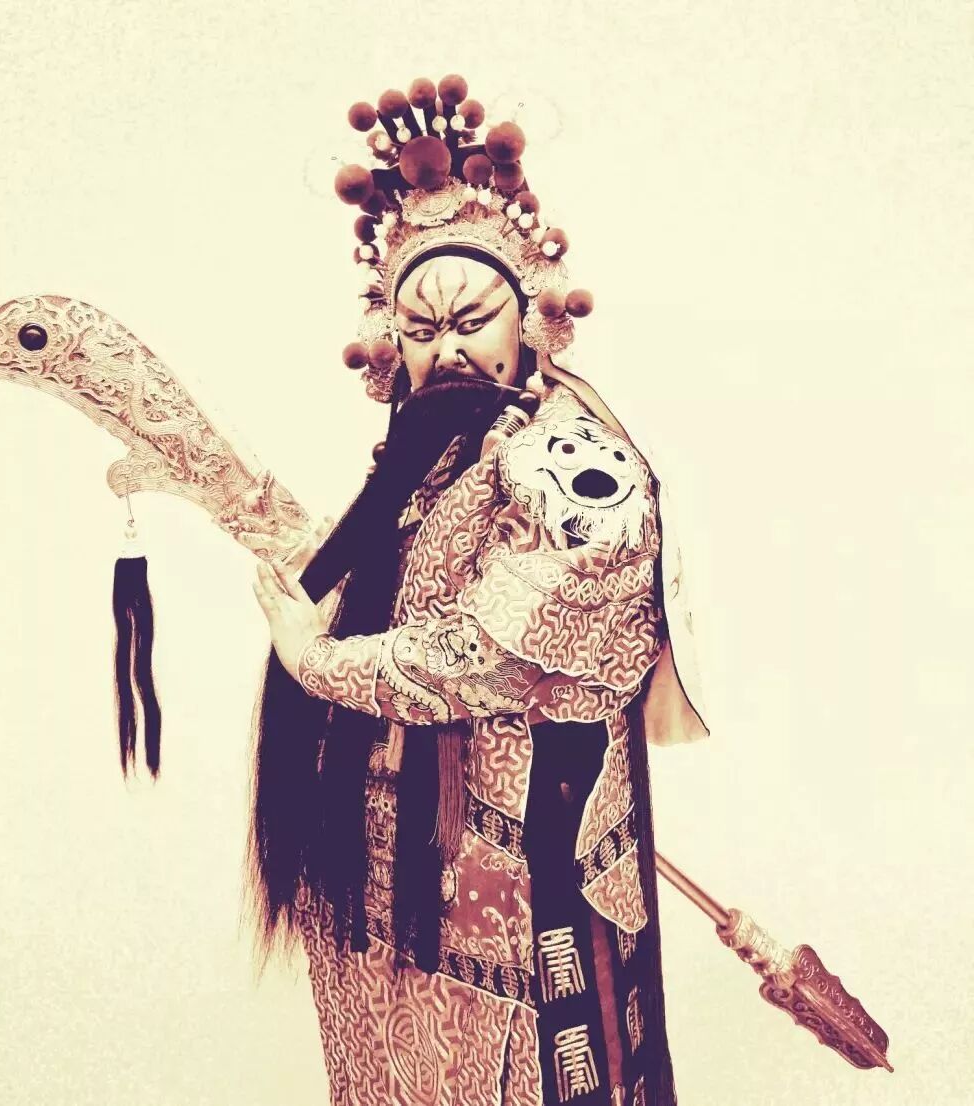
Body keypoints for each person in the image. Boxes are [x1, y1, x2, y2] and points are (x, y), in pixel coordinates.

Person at [249, 73, 707, 1106]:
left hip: (520, 880)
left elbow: (487, 656)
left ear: (529, 318)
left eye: (471, 318)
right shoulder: (415, 476)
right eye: (419, 330)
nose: (447, 348)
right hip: (382, 877)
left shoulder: (576, 467)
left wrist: (315, 658)